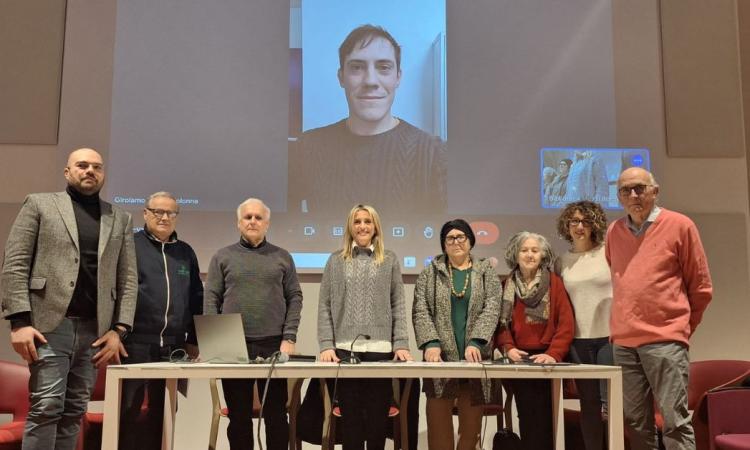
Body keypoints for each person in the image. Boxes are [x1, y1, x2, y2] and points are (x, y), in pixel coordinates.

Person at [0, 148, 137, 450]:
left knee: (75, 410)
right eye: (82, 165)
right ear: (67, 172)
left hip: (95, 332)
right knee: (46, 407)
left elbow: (127, 279)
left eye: (97, 167)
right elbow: (15, 263)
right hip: (49, 326)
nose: (90, 171)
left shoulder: (120, 218)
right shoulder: (40, 204)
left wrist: (119, 330)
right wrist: (19, 322)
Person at [288, 24, 447, 215]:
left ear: (398, 78)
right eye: (357, 68)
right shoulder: (306, 148)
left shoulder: (433, 154)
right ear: (341, 77)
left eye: (384, 68)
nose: (370, 81)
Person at [606, 167, 712, 450]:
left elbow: (700, 287)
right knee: (635, 423)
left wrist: (681, 328)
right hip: (625, 344)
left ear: (655, 191)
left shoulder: (680, 225)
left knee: (674, 421)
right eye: (625, 190)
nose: (633, 195)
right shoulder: (613, 232)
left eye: (639, 188)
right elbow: (621, 282)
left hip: (666, 340)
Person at [204, 198, 303, 450]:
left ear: (267, 224)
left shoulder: (282, 257)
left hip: (274, 345)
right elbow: (211, 298)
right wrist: (215, 343)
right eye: (247, 217)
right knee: (238, 418)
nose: (252, 221)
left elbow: (295, 297)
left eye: (258, 217)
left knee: (276, 416)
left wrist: (289, 337)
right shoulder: (222, 257)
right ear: (239, 223)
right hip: (232, 345)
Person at [317, 204, 412, 449]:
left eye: (367, 221)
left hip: (380, 350)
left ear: (375, 227)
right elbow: (325, 305)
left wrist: (401, 343)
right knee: (351, 421)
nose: (362, 226)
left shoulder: (389, 259)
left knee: (377, 421)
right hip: (344, 350)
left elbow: (398, 304)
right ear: (350, 226)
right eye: (357, 221)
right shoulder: (335, 261)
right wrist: (326, 345)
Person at [118, 191, 203, 450]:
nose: (164, 217)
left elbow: (196, 296)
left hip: (175, 346)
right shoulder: (130, 245)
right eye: (158, 212)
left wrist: (194, 339)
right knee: (130, 411)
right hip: (135, 343)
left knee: (164, 412)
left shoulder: (185, 252)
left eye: (171, 213)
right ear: (145, 214)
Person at [412, 219, 502, 450]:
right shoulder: (430, 272)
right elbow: (421, 310)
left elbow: (492, 308)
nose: (456, 242)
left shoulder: (485, 272)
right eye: (450, 238)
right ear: (443, 244)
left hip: (474, 359)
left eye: (461, 237)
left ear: (470, 241)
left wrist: (477, 342)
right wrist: (431, 343)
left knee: (471, 432)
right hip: (439, 361)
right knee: (438, 424)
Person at [494, 231, 575, 450]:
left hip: (548, 361)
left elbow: (566, 324)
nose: (529, 255)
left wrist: (553, 354)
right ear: (516, 254)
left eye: (535, 250)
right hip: (520, 362)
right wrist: (508, 348)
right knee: (526, 417)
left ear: (543, 255)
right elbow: (501, 326)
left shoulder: (554, 284)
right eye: (524, 250)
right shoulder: (507, 285)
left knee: (547, 420)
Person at [555, 201, 613, 450]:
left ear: (595, 225)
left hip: (610, 338)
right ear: (566, 226)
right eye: (574, 221)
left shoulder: (608, 252)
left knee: (612, 403)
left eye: (585, 221)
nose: (579, 226)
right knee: (588, 405)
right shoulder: (561, 262)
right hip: (578, 341)